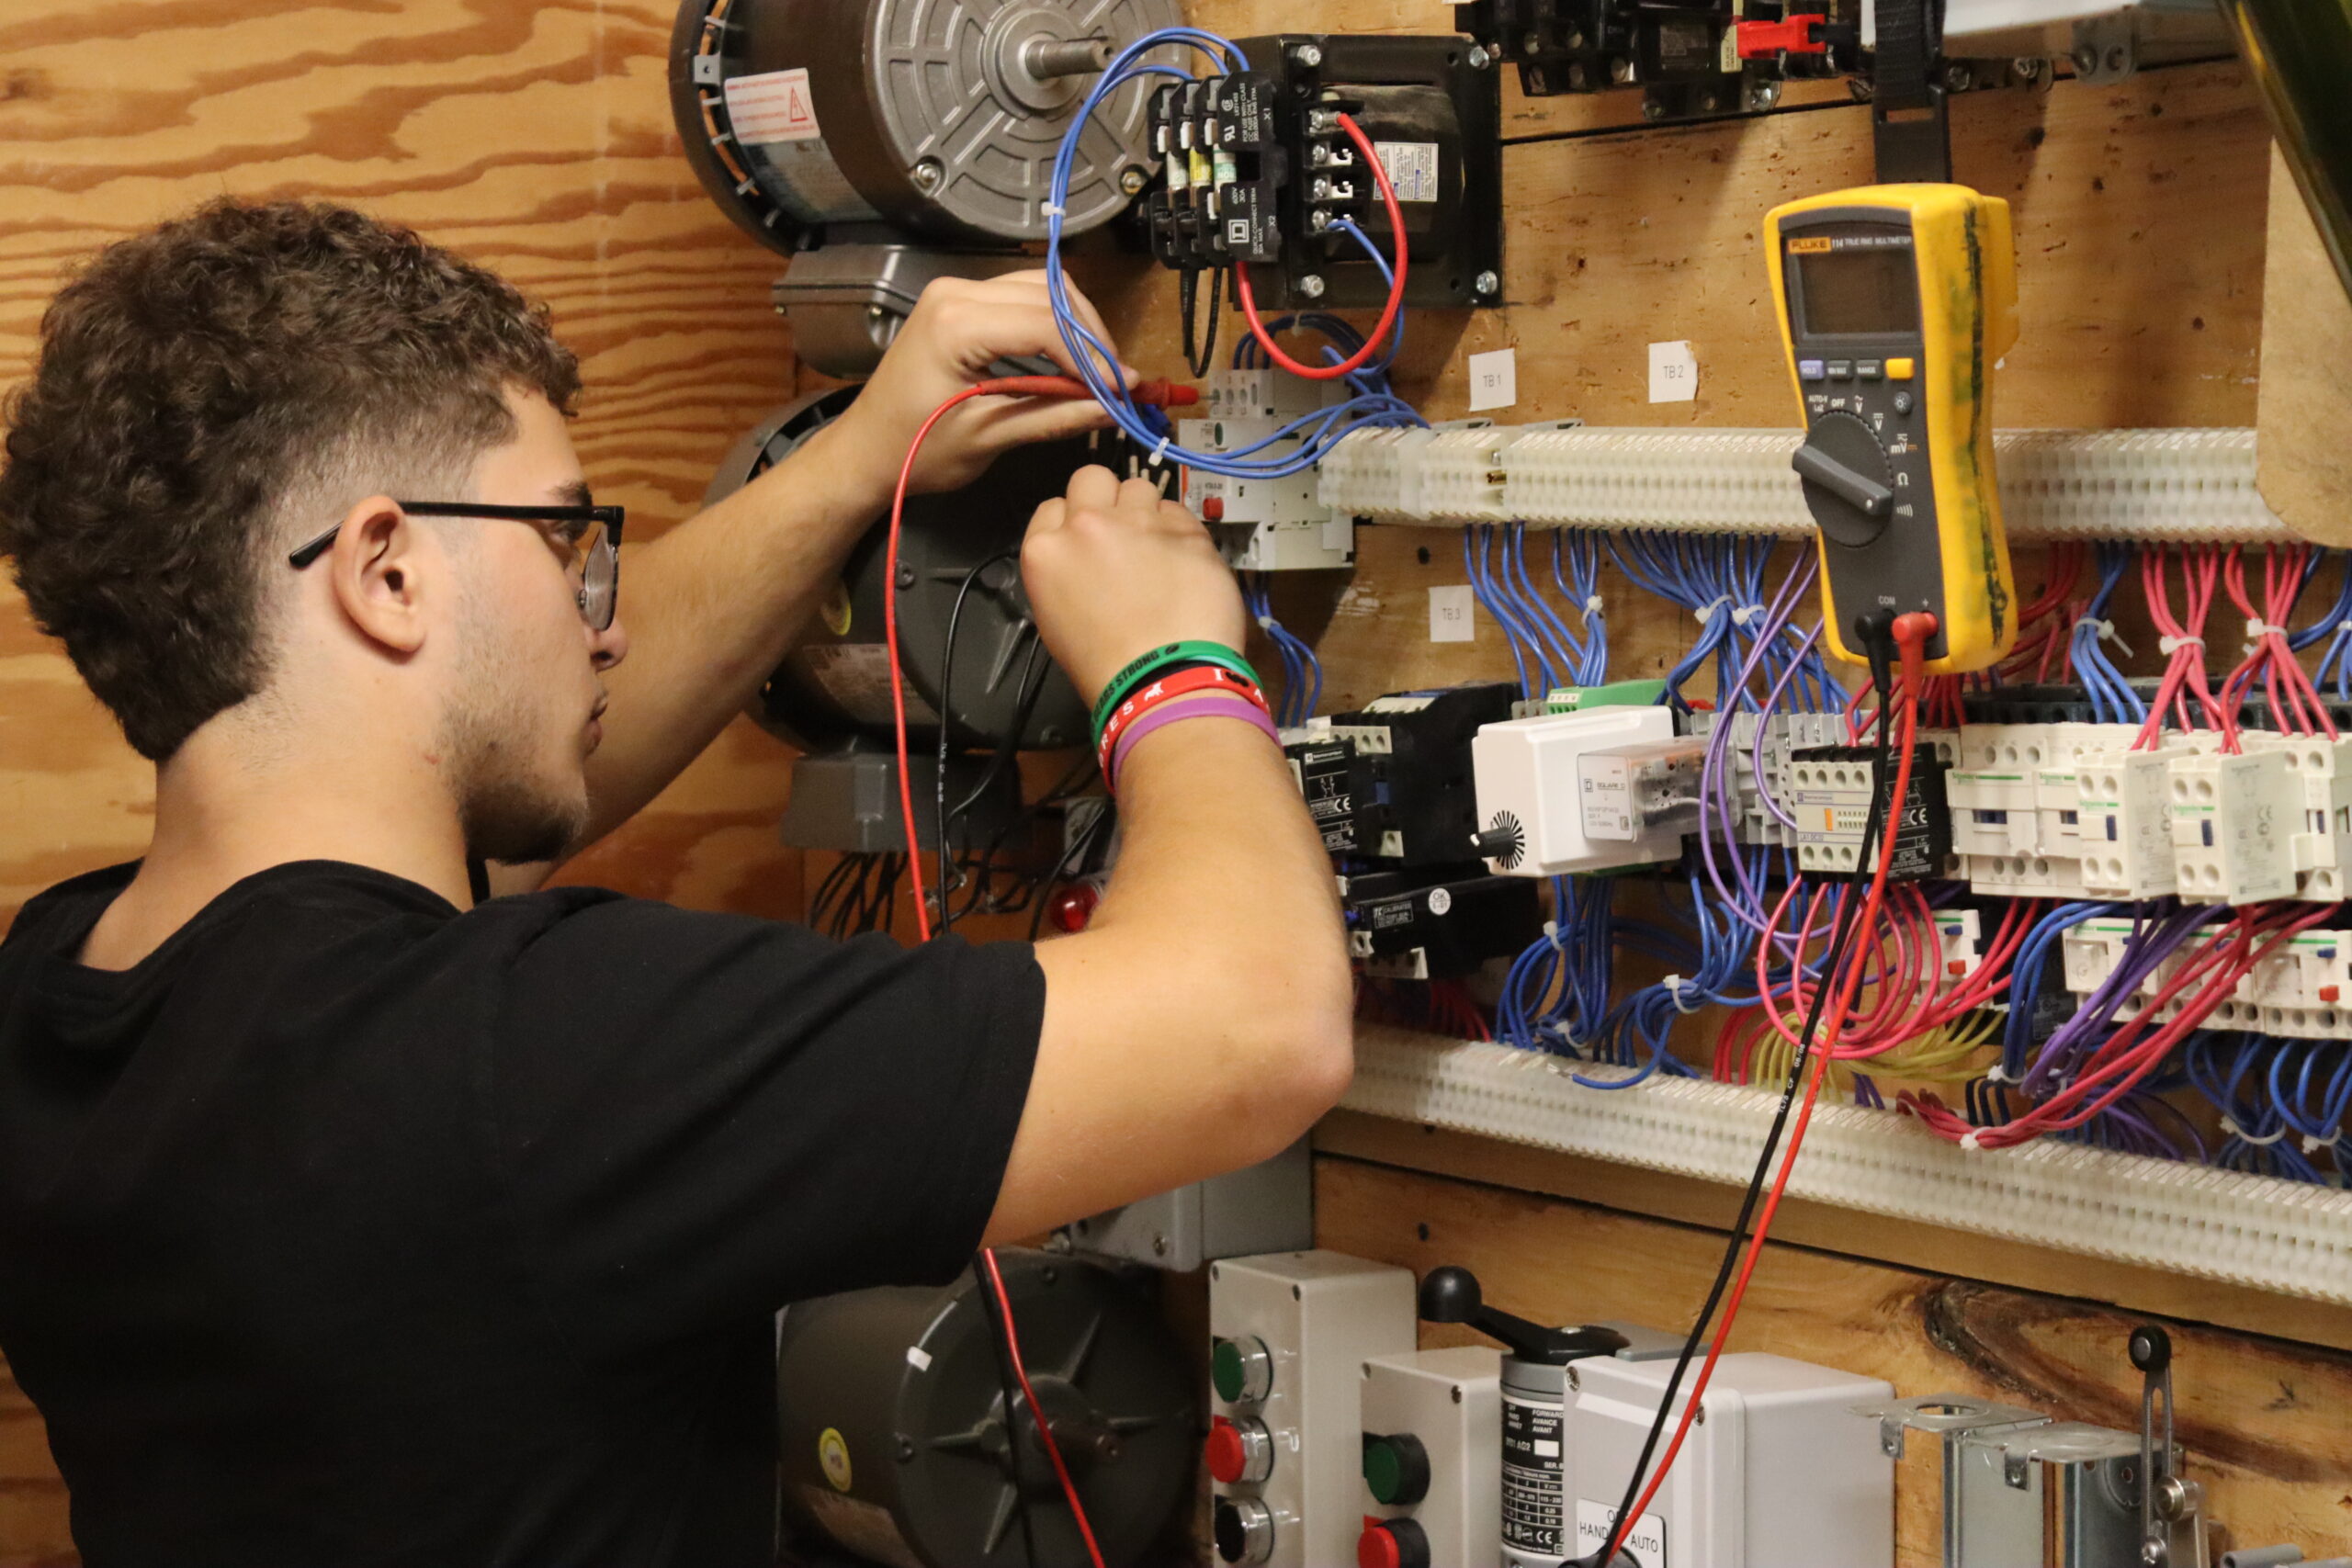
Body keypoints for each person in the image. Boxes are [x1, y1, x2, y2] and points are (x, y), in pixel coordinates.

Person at [0, 198, 1351, 1565]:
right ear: (388, 570)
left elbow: (496, 779)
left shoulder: (65, 998)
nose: (611, 618)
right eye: (564, 543)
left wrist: (860, 461)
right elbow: (1257, 1022)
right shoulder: (527, 1062)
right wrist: (1169, 665)